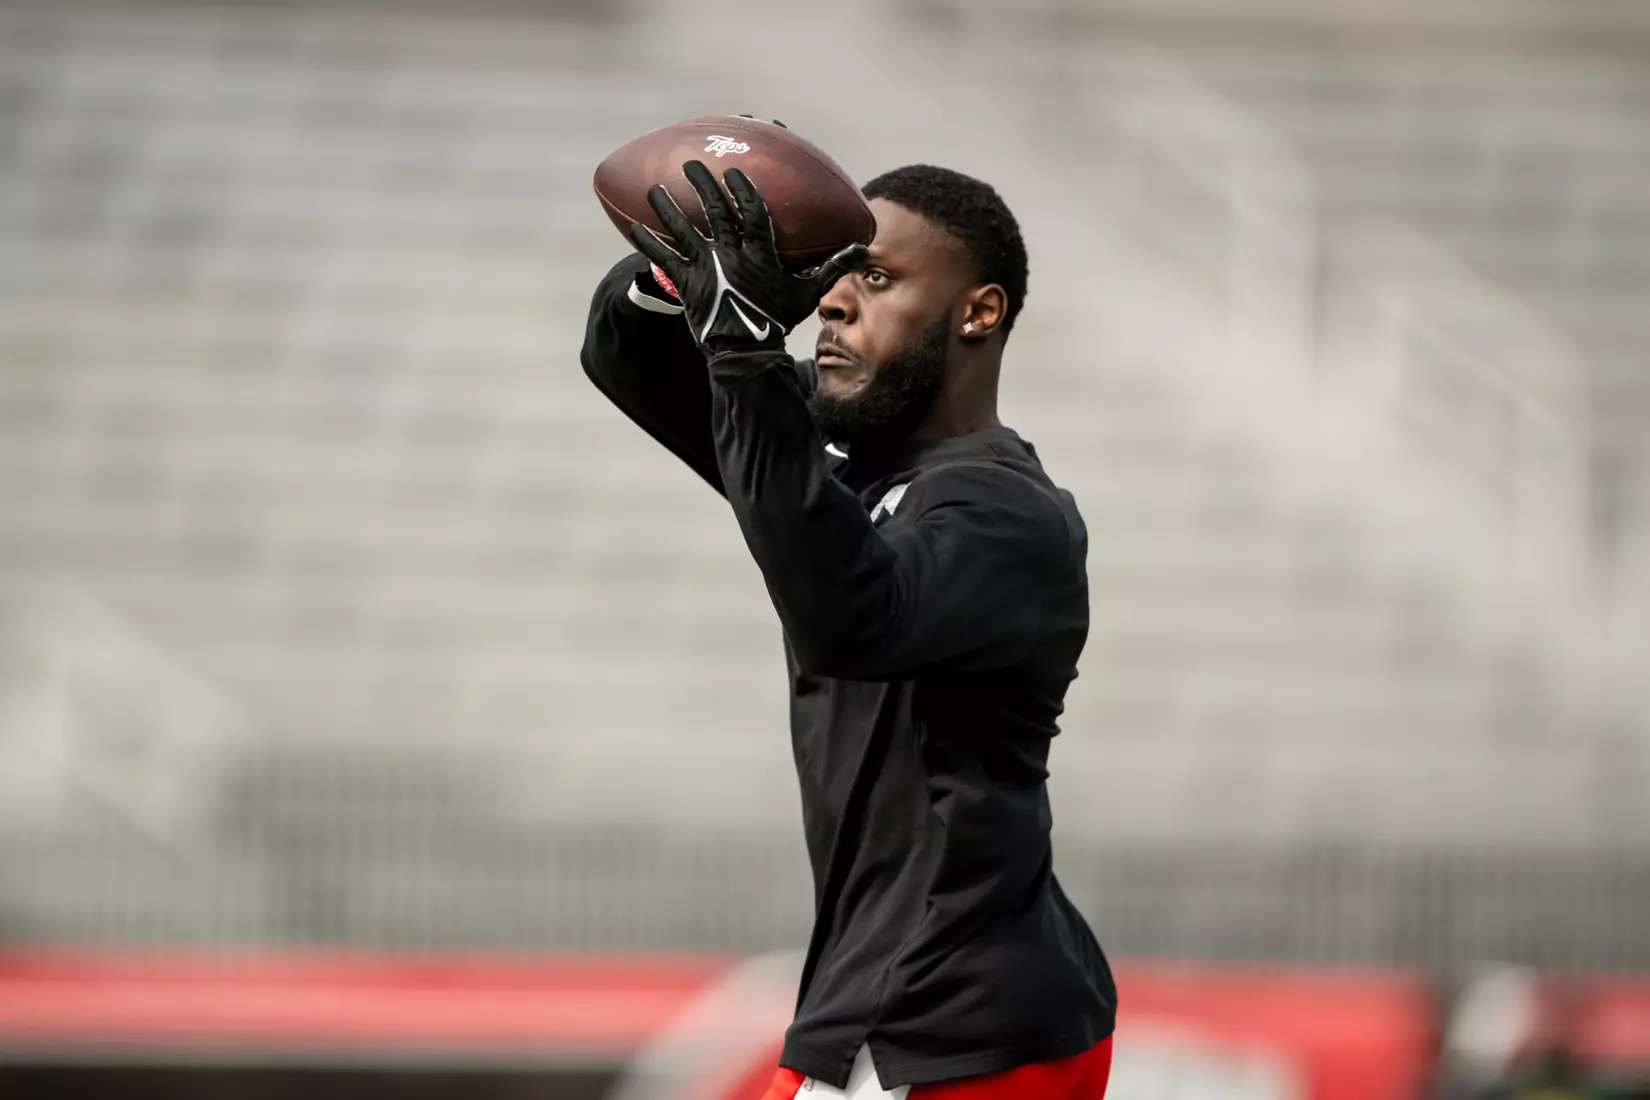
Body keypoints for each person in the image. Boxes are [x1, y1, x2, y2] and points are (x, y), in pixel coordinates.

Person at [580, 154, 1117, 1100]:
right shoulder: (844, 461)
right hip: (926, 1003)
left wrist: (746, 357)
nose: (834, 300)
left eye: (875, 276)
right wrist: (678, 272)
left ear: (978, 312)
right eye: (831, 274)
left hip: (940, 1015)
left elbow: (849, 617)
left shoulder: (1007, 513)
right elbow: (624, 352)